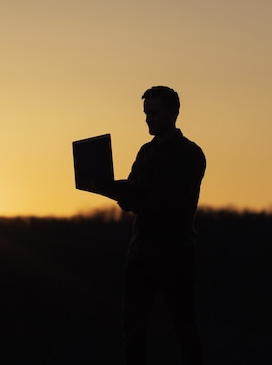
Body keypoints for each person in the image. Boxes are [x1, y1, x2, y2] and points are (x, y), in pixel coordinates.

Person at [91, 86, 206, 365]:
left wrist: (130, 195)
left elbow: (169, 204)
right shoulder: (145, 152)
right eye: (146, 114)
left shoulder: (190, 155)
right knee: (133, 330)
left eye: (154, 113)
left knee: (184, 327)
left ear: (174, 112)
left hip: (175, 254)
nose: (148, 119)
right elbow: (134, 197)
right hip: (141, 254)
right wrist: (113, 190)